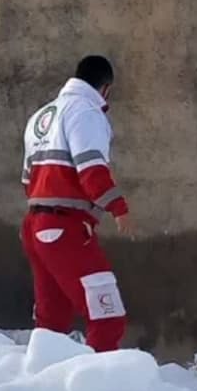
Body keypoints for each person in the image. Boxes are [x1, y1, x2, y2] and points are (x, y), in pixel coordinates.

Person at [21, 55, 133, 353]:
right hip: (65, 227)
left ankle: (44, 374)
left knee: (52, 322)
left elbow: (26, 180)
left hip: (36, 226)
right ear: (105, 89)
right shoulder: (86, 112)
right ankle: (99, 378)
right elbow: (91, 169)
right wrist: (118, 207)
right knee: (108, 317)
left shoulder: (41, 116)